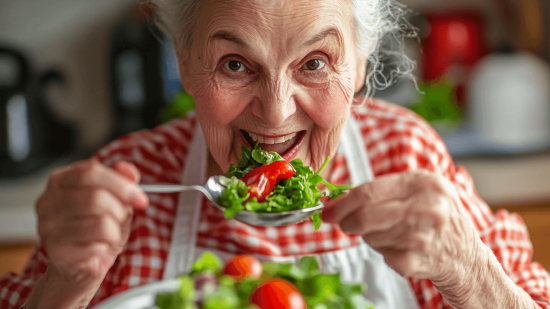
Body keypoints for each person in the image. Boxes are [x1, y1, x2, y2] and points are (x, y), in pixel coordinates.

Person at [2, 0, 550, 308]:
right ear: (186, 65)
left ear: (358, 68)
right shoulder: (127, 182)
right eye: (236, 65)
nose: (275, 114)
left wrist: (470, 271)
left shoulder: (404, 154)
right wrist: (65, 283)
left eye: (314, 62)